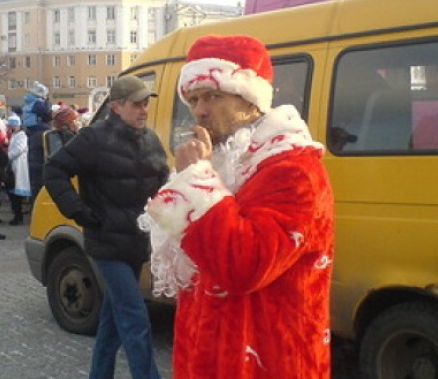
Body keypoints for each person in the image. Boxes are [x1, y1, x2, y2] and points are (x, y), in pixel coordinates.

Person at [139, 35, 335, 379]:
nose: (200, 110)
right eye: (194, 98)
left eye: (214, 96)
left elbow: (244, 265)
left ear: (250, 100)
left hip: (268, 359)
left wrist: (196, 181)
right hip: (211, 353)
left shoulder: (294, 168)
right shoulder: (225, 161)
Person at [44, 75, 169, 379]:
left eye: (145, 103)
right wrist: (79, 212)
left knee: (111, 324)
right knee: (135, 318)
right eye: (136, 104)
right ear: (116, 106)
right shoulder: (93, 138)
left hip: (137, 243)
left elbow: (163, 179)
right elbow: (54, 170)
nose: (143, 109)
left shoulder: (150, 138)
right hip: (106, 244)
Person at [23, 82, 51, 199]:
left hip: (31, 129)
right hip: (38, 128)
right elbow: (46, 112)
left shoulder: (29, 102)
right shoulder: (38, 103)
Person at [5, 114, 29, 226]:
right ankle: (17, 215)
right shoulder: (15, 135)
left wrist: (7, 156)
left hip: (18, 166)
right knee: (13, 194)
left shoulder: (21, 136)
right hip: (13, 167)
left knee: (16, 195)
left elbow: (19, 149)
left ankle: (18, 216)